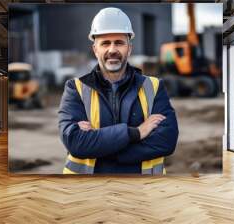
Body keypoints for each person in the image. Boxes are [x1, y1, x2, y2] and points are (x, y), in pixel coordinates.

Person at [58, 7, 178, 174]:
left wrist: (101, 146)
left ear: (129, 48)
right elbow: (75, 143)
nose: (112, 50)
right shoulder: (75, 89)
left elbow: (166, 141)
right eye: (105, 43)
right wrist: (136, 133)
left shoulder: (154, 87)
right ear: (95, 50)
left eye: (119, 42)